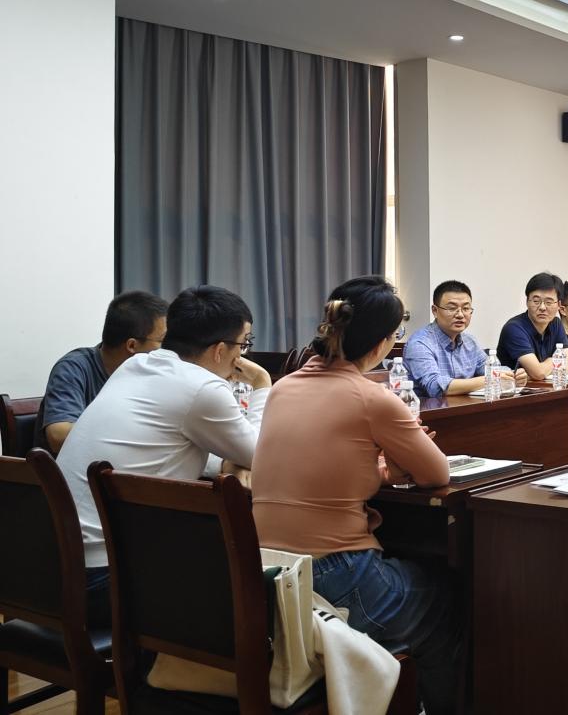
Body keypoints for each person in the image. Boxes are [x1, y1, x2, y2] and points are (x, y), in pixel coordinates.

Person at [251, 276, 463, 715]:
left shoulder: (282, 387)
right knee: (447, 597)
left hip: (269, 576)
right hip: (336, 577)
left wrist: (382, 469)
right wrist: (397, 463)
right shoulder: (372, 397)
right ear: (384, 343)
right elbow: (437, 473)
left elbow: (323, 467)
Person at [56, 285, 268, 628]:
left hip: (53, 565)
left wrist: (227, 460)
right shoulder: (203, 388)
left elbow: (163, 446)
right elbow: (262, 454)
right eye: (244, 344)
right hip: (103, 578)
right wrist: (262, 384)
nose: (242, 355)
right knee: (251, 575)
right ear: (219, 350)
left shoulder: (136, 365)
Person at [37, 290, 169, 453]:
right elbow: (58, 436)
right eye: (162, 341)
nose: (168, 349)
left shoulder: (153, 373)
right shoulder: (73, 368)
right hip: (71, 467)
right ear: (132, 346)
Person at [403, 280, 525, 396]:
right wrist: (490, 379)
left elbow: (489, 369)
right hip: (428, 409)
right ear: (435, 311)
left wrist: (512, 375)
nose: (460, 315)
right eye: (452, 308)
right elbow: (435, 386)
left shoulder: (470, 342)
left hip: (465, 407)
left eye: (466, 308)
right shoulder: (420, 343)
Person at [496, 272, 568, 380]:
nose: (542, 307)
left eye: (549, 302)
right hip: (513, 389)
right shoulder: (514, 328)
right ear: (527, 302)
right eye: (536, 301)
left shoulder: (556, 323)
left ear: (559, 305)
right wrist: (556, 360)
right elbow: (539, 373)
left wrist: (544, 368)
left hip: (544, 387)